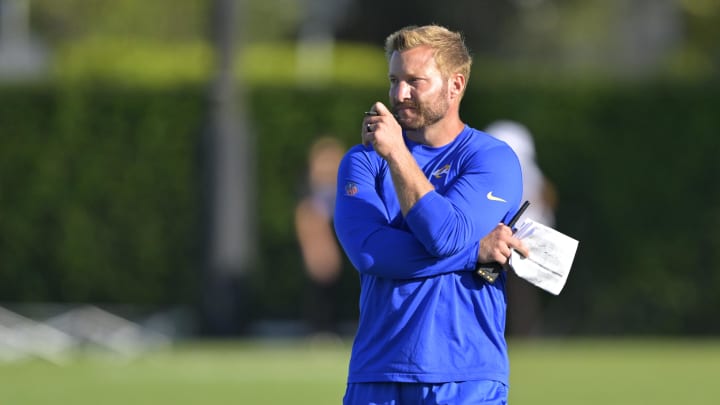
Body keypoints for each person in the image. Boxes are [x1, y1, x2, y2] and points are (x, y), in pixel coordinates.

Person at [333, 25, 529, 404]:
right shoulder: (363, 160)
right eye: (394, 80)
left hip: (466, 377)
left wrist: (398, 155)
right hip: (378, 371)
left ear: (455, 85)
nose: (398, 94)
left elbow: (445, 234)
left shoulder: (491, 158)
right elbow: (369, 254)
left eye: (414, 81)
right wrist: (474, 253)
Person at [485, 120, 558, 337]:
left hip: (518, 240)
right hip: (513, 240)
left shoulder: (518, 171)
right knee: (517, 293)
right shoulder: (530, 172)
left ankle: (521, 333)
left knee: (516, 293)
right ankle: (522, 333)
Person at [294, 136, 346, 336]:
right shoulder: (310, 189)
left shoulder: (343, 187)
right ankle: (319, 330)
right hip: (323, 246)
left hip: (343, 244)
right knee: (318, 291)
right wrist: (315, 249)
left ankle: (332, 329)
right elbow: (306, 217)